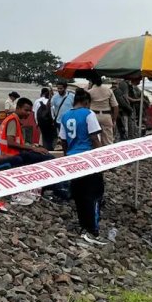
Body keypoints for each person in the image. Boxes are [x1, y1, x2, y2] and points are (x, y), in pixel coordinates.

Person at [59, 89, 107, 246]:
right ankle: (93, 228)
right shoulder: (88, 114)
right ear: (86, 101)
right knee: (94, 194)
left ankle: (83, 225)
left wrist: (67, 158)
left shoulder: (65, 116)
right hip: (88, 159)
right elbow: (94, 137)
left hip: (72, 159)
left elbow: (63, 141)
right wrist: (101, 158)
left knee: (79, 195)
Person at [87, 74, 119, 146]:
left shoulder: (90, 92)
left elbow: (87, 106)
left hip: (93, 116)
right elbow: (115, 106)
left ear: (92, 81)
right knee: (108, 141)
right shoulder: (108, 90)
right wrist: (114, 119)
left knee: (95, 139)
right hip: (106, 116)